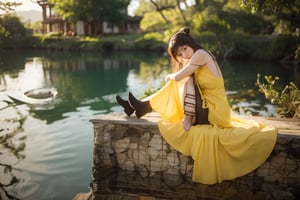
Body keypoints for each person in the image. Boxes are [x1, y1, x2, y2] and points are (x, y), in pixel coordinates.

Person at [116, 27, 277, 184]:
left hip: (215, 111)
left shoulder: (200, 54)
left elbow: (179, 77)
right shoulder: (196, 57)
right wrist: (175, 76)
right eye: (180, 54)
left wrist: (169, 76)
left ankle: (166, 112)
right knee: (184, 80)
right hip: (211, 106)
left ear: (190, 43)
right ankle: (138, 107)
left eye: (184, 49)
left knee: (183, 80)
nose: (184, 54)